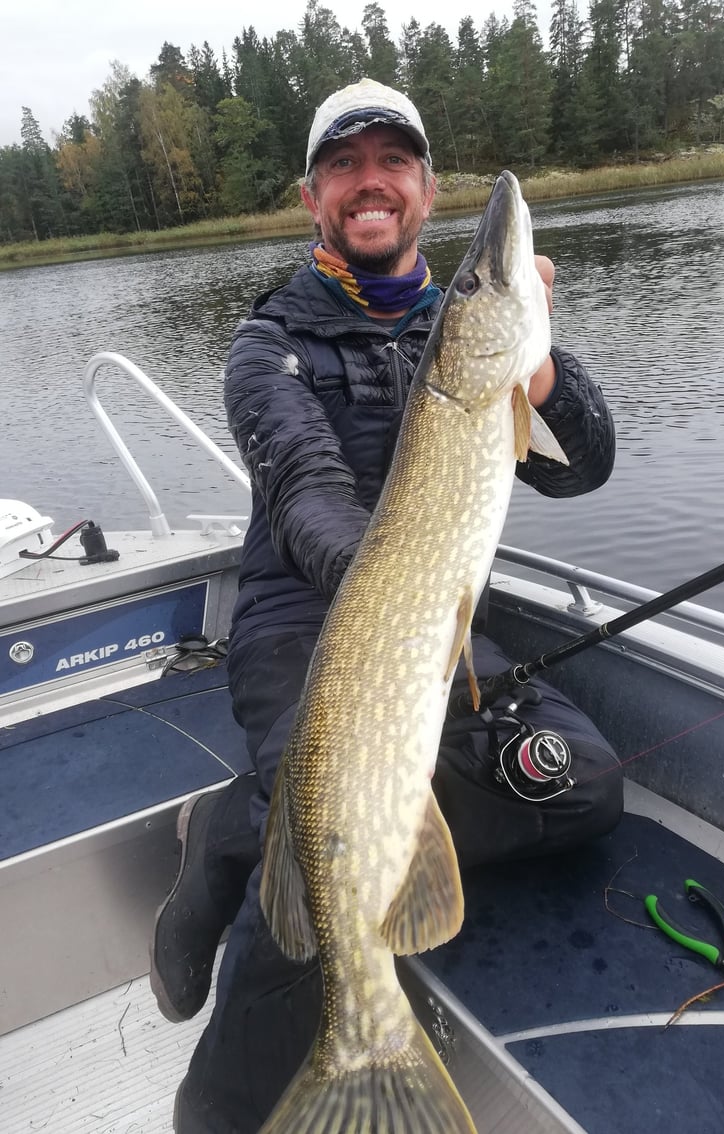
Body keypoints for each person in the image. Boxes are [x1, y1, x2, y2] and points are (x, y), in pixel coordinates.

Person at [156, 78, 623, 1132]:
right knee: (318, 877)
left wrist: (534, 362)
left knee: (585, 789)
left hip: (423, 633)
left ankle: (245, 824)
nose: (371, 184)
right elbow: (310, 502)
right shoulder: (266, 342)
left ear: (423, 187)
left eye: (393, 163)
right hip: (297, 624)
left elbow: (584, 463)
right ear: (315, 197)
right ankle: (219, 1103)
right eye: (343, 166)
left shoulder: (465, 337)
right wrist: (402, 581)